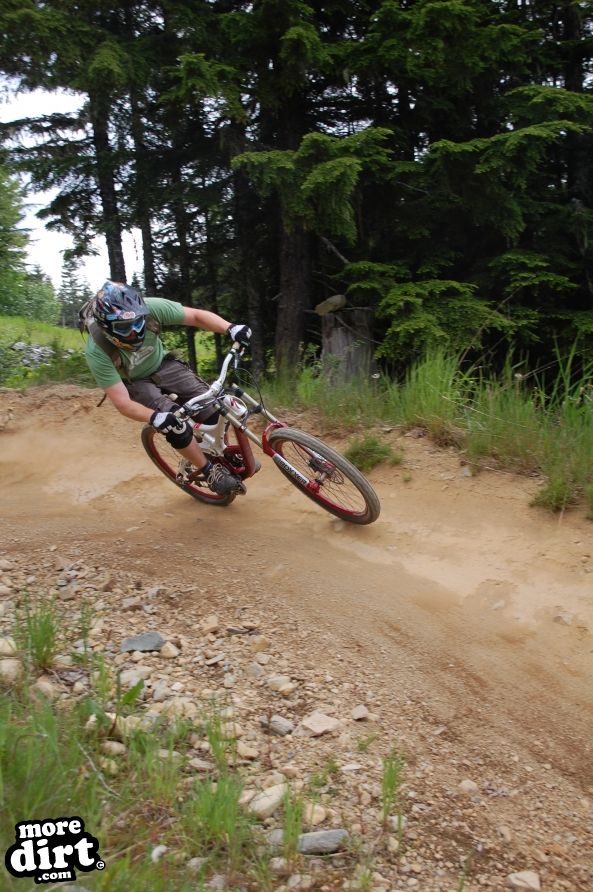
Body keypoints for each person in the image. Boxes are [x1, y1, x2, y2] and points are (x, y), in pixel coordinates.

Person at [83, 280, 252, 495]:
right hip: (136, 382)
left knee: (211, 406)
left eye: (138, 322)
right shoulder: (96, 351)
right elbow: (123, 403)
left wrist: (230, 328)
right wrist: (155, 418)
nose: (135, 331)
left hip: (163, 364)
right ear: (107, 328)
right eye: (124, 327)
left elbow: (196, 316)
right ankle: (209, 471)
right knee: (173, 423)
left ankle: (218, 449)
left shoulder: (150, 308)